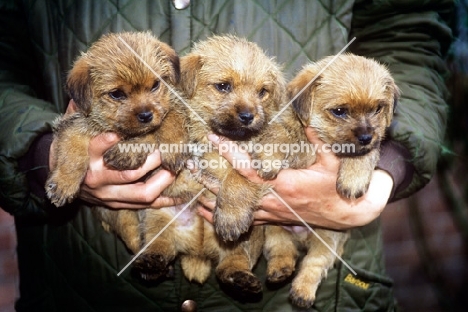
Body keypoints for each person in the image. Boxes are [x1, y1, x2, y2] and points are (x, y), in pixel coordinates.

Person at [0, 0, 453, 311]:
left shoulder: (279, 114)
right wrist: (42, 151)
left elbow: (410, 36)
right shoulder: (171, 95)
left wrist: (386, 166)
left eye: (261, 93)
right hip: (81, 282)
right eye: (224, 88)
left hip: (329, 293)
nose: (248, 107)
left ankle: (248, 263)